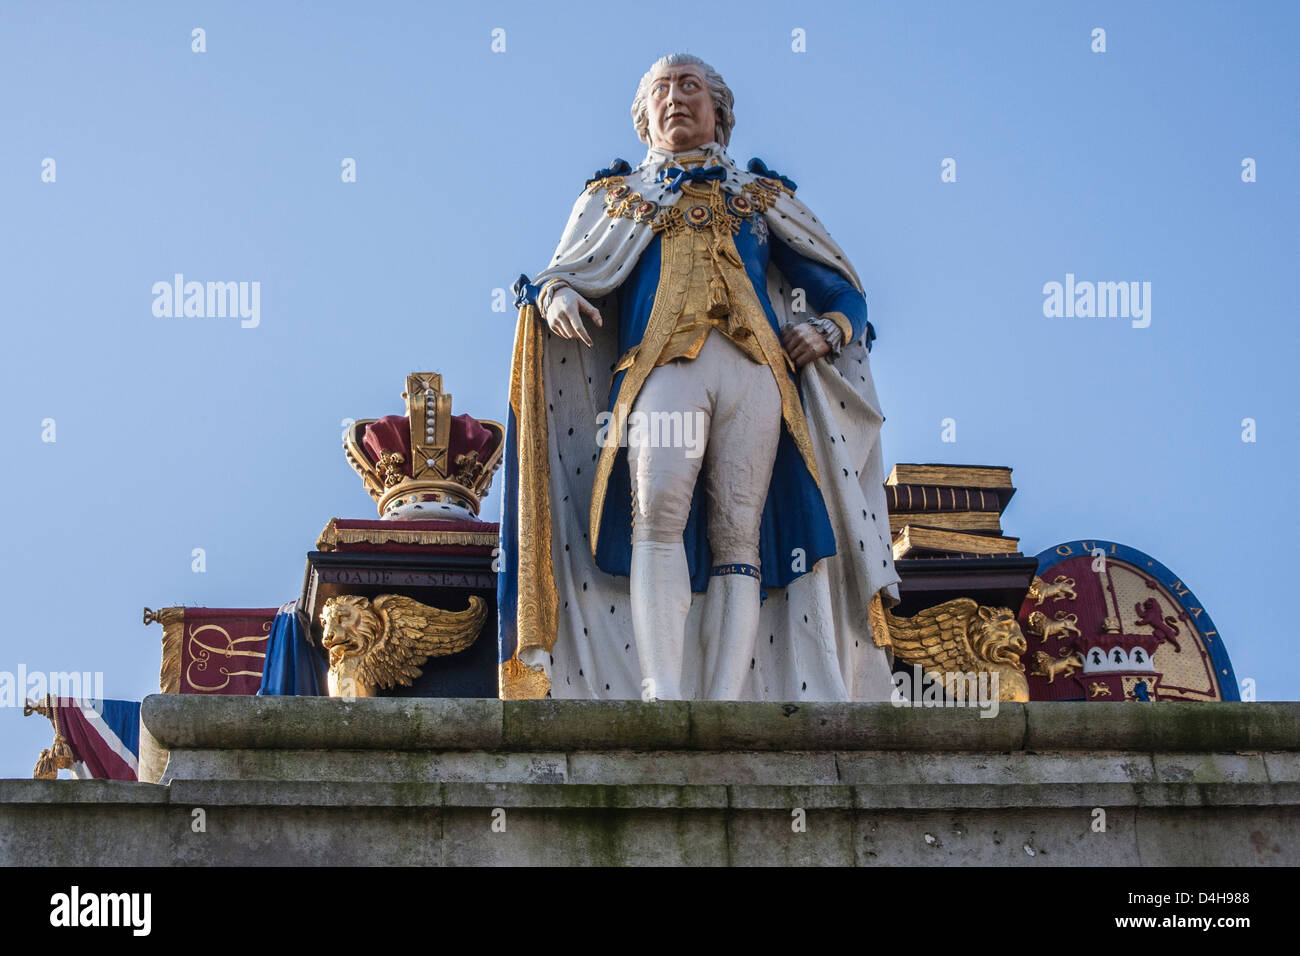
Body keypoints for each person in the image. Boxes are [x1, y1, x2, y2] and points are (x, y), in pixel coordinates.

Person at [498, 53, 900, 702]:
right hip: (664, 368)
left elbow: (840, 288)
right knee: (657, 511)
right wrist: (556, 298)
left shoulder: (760, 197)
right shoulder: (617, 199)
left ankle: (720, 697)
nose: (675, 98)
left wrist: (828, 330)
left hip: (756, 373)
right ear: (644, 115)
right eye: (661, 89)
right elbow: (565, 271)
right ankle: (665, 688)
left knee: (740, 530)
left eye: (690, 87)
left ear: (719, 110)